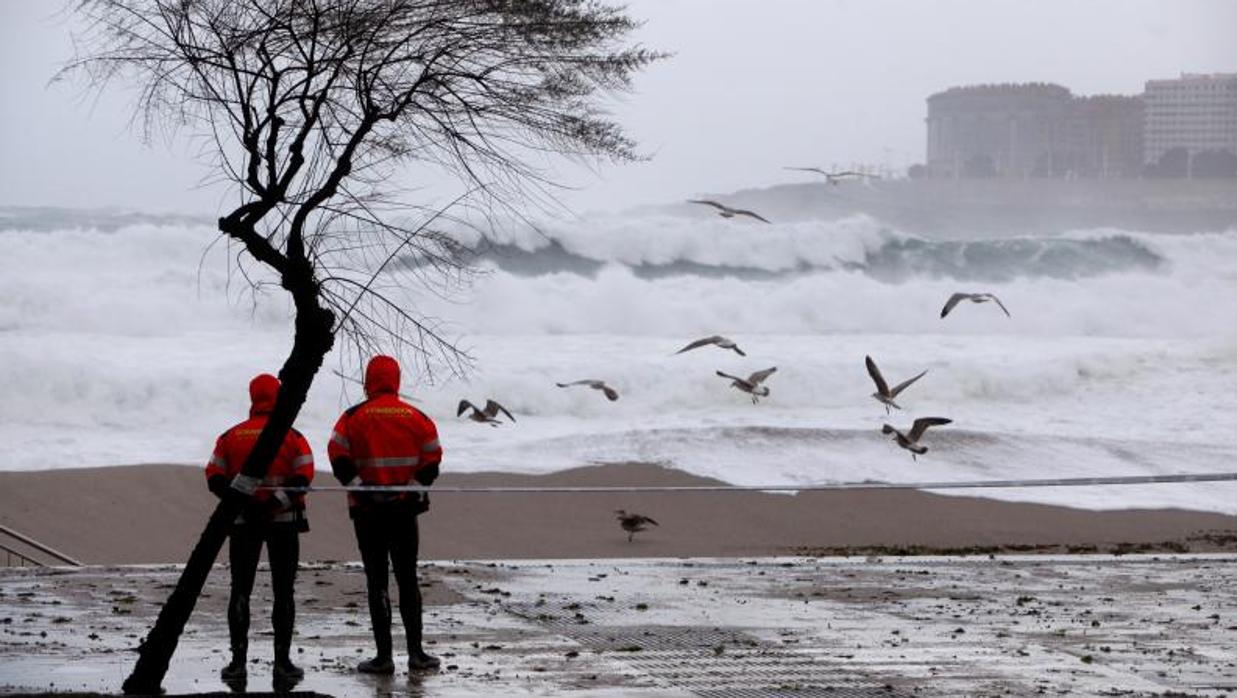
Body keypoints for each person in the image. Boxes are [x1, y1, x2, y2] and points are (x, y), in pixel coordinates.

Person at [328, 355, 443, 674]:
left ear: (368, 380)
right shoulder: (417, 416)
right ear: (396, 380)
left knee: (376, 579)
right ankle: (417, 654)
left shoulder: (352, 417)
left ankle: (384, 657)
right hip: (405, 512)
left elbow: (337, 455)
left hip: (367, 513)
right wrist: (410, 489)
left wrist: (362, 488)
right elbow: (432, 458)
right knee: (407, 578)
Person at [205, 373, 314, 683]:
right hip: (284, 523)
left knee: (240, 590)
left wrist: (243, 504)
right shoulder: (292, 436)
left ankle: (238, 663)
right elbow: (304, 475)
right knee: (284, 592)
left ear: (252, 398)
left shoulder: (230, 436)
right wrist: (273, 504)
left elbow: (214, 476)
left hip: (242, 524)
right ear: (279, 397)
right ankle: (283, 663)